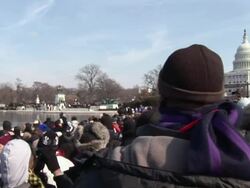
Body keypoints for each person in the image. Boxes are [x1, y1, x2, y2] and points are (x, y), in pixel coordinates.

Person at [37, 44, 250, 187]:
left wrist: (58, 174)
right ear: (220, 95)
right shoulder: (239, 157)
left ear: (162, 95)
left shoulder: (110, 166)